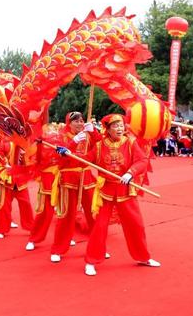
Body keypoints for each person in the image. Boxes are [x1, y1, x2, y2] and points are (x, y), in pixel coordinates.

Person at [61, 114, 159, 276]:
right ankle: (91, 261)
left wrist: (130, 173)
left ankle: (143, 257)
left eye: (121, 126)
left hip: (126, 190)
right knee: (99, 227)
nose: (120, 129)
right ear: (107, 129)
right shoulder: (99, 146)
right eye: (116, 126)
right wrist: (68, 151)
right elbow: (84, 160)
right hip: (105, 192)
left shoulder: (130, 143)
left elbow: (142, 161)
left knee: (136, 225)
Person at [48, 112, 101, 262]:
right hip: (68, 178)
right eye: (75, 121)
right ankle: (58, 249)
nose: (79, 123)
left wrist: (94, 132)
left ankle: (98, 247)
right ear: (68, 123)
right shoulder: (61, 137)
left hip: (86, 177)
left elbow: (101, 148)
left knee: (93, 213)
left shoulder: (88, 135)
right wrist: (74, 142)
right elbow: (58, 159)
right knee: (66, 215)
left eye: (81, 120)